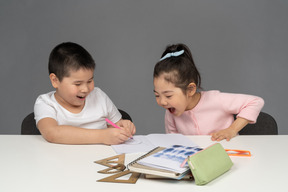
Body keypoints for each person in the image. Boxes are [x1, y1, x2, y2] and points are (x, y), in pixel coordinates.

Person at [153, 43, 264, 141]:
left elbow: (255, 101)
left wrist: (232, 130)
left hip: (227, 154)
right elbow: (173, 141)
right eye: (157, 95)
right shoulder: (171, 112)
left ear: (190, 89)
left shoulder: (216, 100)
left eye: (168, 95)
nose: (162, 102)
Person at [34, 42, 135, 145]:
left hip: (101, 158)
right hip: (63, 159)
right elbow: (52, 133)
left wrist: (123, 126)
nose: (85, 89)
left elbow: (114, 127)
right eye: (78, 84)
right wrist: (102, 136)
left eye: (90, 81)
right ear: (55, 80)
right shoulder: (46, 103)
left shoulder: (99, 97)